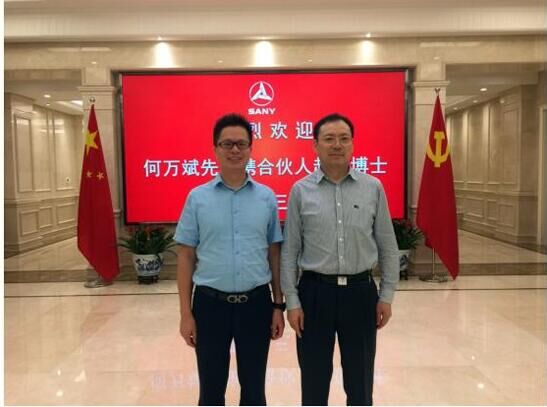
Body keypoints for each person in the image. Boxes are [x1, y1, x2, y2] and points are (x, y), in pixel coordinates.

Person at [281, 113, 399, 406]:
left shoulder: (372, 187)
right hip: (314, 294)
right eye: (329, 139)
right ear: (315, 145)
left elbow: (387, 245)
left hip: (360, 294)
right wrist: (292, 302)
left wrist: (386, 296)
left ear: (353, 144)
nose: (337, 145)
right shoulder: (300, 190)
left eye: (344, 138)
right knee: (314, 381)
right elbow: (290, 251)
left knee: (360, 383)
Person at [175, 113, 285, 406]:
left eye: (241, 144)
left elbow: (274, 253)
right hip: (210, 306)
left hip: (256, 304)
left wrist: (278, 306)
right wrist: (186, 313)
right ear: (215, 149)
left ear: (250, 148)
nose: (235, 150)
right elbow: (186, 256)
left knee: (254, 389)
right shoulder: (197, 198)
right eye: (227, 144)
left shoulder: (267, 197)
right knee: (211, 390)